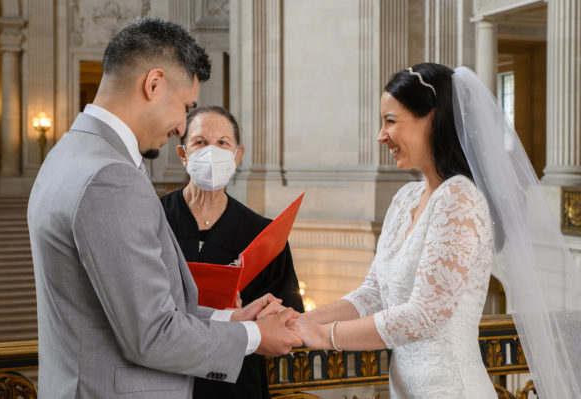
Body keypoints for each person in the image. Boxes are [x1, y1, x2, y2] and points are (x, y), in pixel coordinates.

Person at [27, 18, 302, 399]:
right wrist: (254, 335)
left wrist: (229, 317)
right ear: (154, 84)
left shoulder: (68, 153)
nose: (180, 124)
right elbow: (151, 334)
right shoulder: (111, 177)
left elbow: (130, 309)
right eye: (186, 107)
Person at [267, 63, 498, 398]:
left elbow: (424, 316)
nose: (381, 135)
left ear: (432, 118)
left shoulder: (459, 197)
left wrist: (323, 335)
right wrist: (300, 321)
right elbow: (373, 293)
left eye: (391, 121)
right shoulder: (406, 198)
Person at [160, 105, 304, 399]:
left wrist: (251, 314)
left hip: (235, 384)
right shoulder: (152, 218)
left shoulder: (262, 234)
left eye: (222, 143)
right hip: (165, 377)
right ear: (183, 155)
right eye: (200, 142)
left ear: (237, 155)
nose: (211, 151)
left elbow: (290, 315)